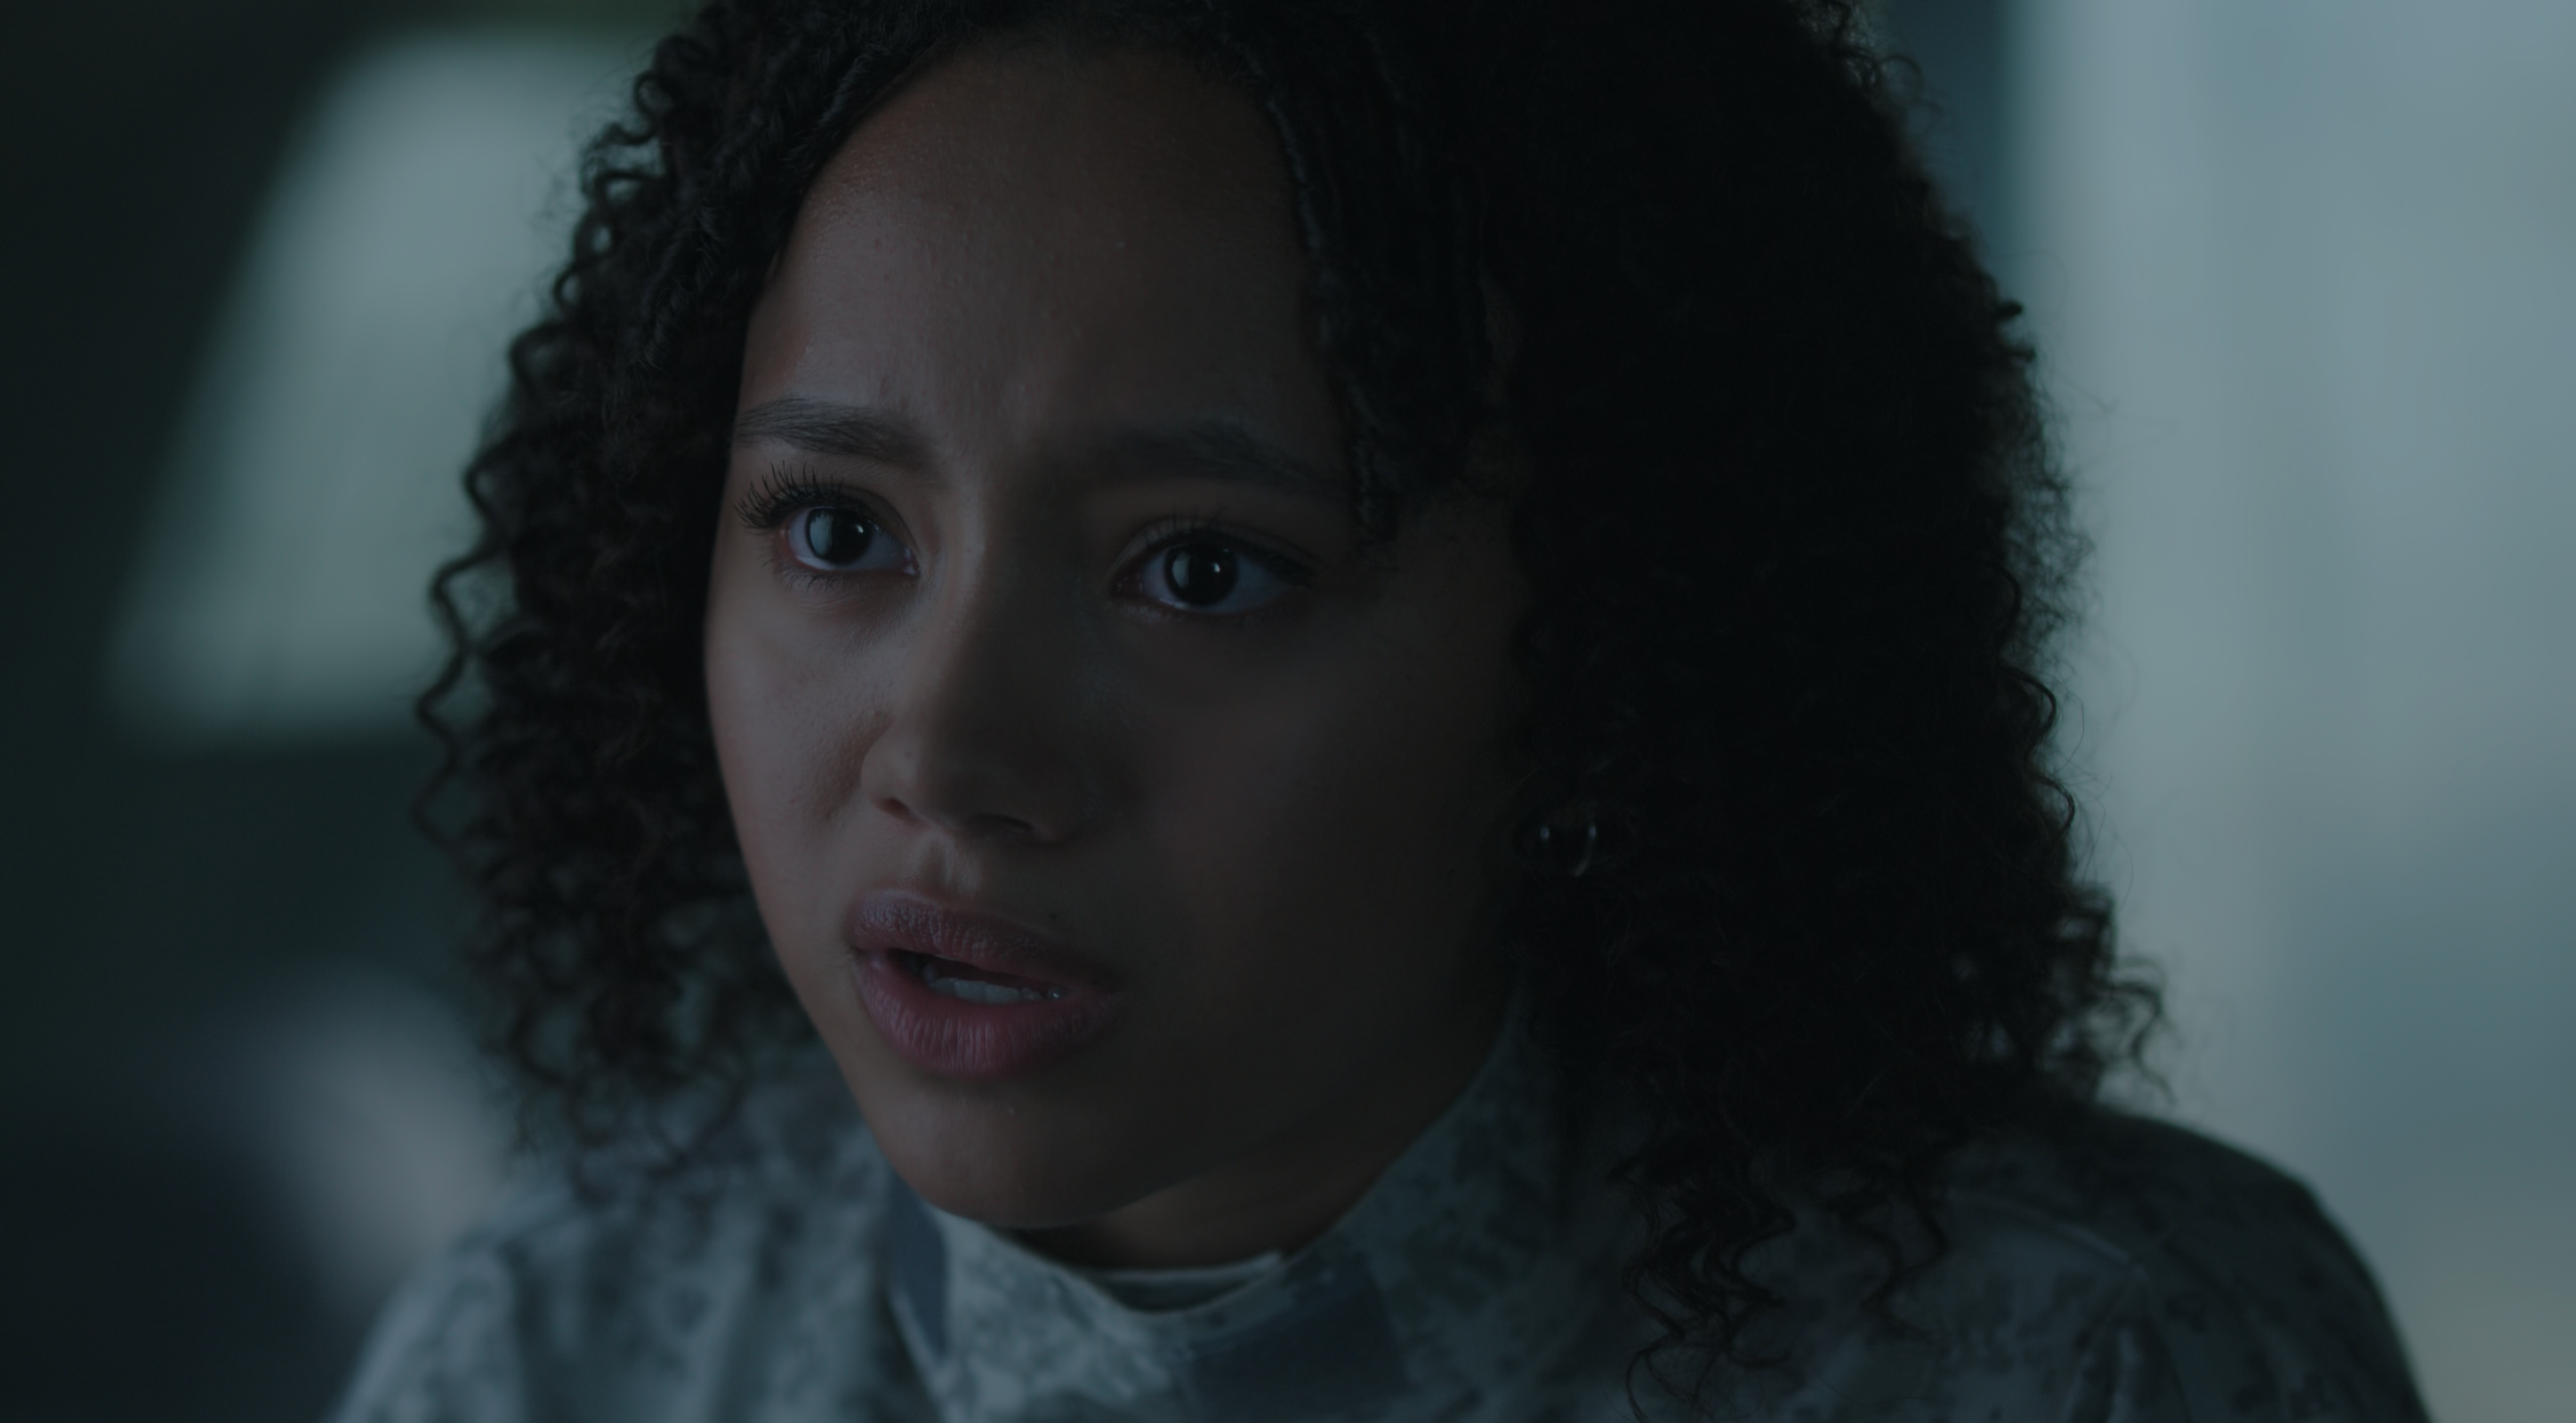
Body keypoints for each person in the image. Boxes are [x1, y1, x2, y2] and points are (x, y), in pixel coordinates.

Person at [332, 1, 2427, 1418]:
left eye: (1200, 568)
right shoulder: (559, 1351)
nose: (950, 752)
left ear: (1604, 656)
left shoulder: (2099, 1358)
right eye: (835, 528)